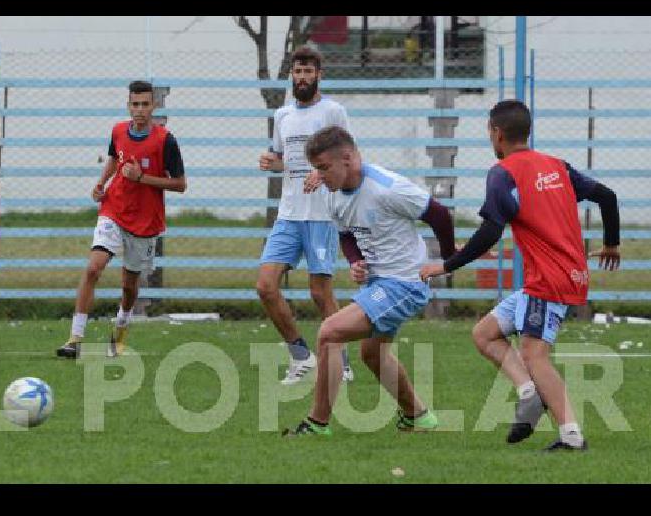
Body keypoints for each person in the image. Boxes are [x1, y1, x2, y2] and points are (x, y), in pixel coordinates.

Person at [420, 99, 621, 451]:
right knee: (484, 334)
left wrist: (446, 264)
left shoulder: (503, 173)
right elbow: (607, 197)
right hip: (556, 278)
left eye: (489, 133)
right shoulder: (556, 166)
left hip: (549, 281)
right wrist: (612, 244)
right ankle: (530, 394)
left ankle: (571, 437)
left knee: (534, 355)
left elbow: (491, 230)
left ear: (496, 134)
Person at [283, 126, 455, 436]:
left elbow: (439, 214)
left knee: (330, 332)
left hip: (405, 283)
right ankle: (418, 416)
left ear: (346, 159)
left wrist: (447, 260)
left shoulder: (388, 188)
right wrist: (355, 262)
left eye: (323, 168)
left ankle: (317, 424)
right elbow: (347, 233)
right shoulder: (333, 194)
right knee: (372, 354)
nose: (319, 176)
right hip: (378, 284)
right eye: (316, 170)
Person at [56, 80, 187, 359]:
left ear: (154, 106)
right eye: (135, 104)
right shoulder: (118, 130)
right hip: (113, 209)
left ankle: (121, 327)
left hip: (145, 222)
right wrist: (101, 182)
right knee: (93, 268)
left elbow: (180, 184)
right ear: (128, 106)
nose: (140, 110)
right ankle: (74, 338)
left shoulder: (166, 140)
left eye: (145, 104)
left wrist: (142, 178)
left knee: (129, 286)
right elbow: (115, 158)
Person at [257, 46, 354, 384]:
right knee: (266, 286)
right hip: (288, 214)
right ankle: (300, 356)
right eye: (297, 72)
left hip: (321, 215)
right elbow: (286, 160)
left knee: (319, 292)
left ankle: (342, 362)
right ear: (292, 76)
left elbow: (350, 160)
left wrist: (325, 173)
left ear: (318, 75)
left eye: (308, 72)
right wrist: (273, 163)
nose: (302, 78)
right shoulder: (283, 115)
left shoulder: (334, 112)